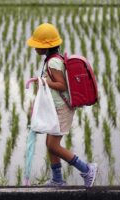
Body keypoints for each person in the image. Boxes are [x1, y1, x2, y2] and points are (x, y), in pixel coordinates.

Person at [26, 23, 97, 187]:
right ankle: (57, 179)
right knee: (49, 144)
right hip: (55, 108)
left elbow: (62, 85)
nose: (34, 48)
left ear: (46, 47)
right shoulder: (52, 60)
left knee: (53, 145)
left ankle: (86, 169)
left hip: (62, 110)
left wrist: (42, 81)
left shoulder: (53, 63)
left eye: (37, 45)